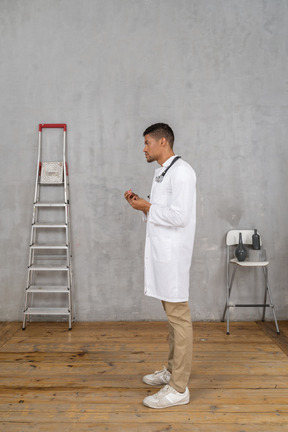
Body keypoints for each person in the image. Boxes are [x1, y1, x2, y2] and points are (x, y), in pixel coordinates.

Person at [124, 123, 196, 409]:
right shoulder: (164, 174)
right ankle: (171, 369)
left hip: (174, 257)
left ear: (162, 142)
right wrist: (143, 205)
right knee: (172, 316)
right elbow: (161, 210)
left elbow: (179, 217)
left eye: (147, 143)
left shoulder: (183, 173)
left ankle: (179, 387)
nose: (144, 148)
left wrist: (147, 207)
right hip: (163, 255)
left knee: (179, 318)